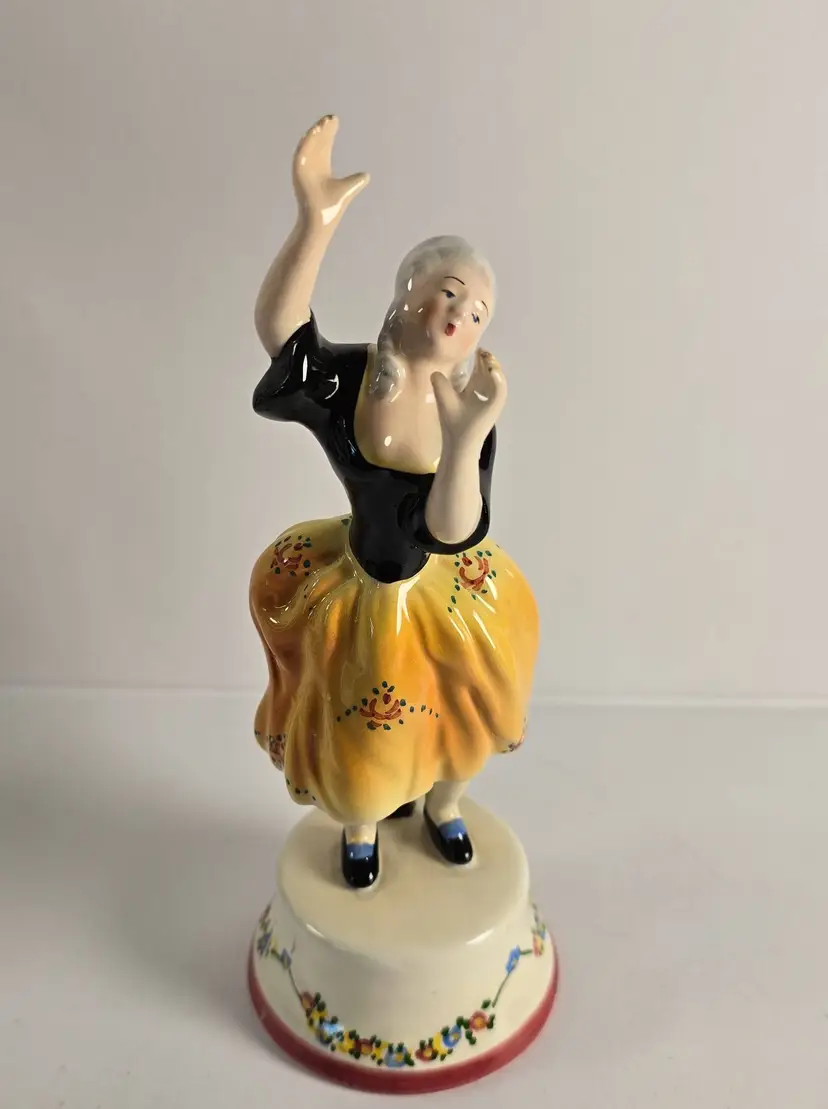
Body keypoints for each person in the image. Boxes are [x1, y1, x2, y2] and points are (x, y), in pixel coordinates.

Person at [249, 116, 538, 888]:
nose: (460, 315)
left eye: (478, 312)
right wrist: (316, 223)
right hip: (366, 583)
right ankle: (363, 823)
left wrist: (466, 439)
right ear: (409, 294)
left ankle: (445, 804)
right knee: (364, 718)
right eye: (450, 294)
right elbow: (284, 335)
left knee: (466, 707)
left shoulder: (470, 408)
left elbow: (451, 530)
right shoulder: (353, 379)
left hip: (441, 588)